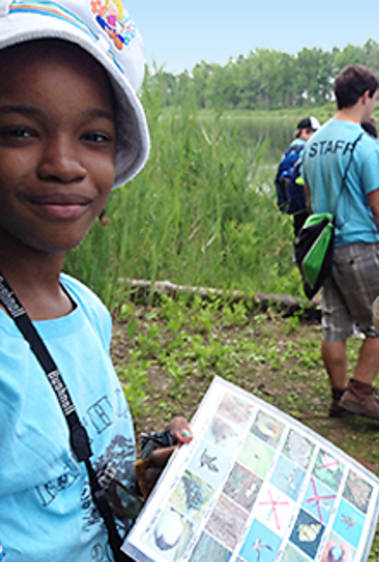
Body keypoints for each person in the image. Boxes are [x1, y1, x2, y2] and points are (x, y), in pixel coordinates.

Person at [0, 2, 191, 559]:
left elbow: (61, 485)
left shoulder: (84, 309)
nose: (64, 164)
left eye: (95, 137)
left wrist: (140, 480)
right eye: (19, 130)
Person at [301, 64, 379, 422]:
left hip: (324, 247)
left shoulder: (312, 144)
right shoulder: (363, 144)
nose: (373, 106)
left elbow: (308, 202)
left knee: (333, 324)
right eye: (374, 99)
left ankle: (338, 396)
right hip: (359, 244)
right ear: (365, 96)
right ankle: (360, 392)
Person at [275, 116, 320, 236]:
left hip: (294, 204)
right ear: (304, 132)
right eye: (315, 132)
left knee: (299, 234)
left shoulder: (288, 151)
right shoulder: (309, 150)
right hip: (309, 203)